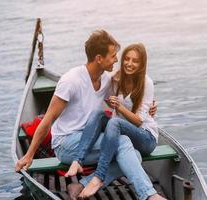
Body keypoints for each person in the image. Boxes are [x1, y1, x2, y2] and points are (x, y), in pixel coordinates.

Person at [14, 30, 165, 200]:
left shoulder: (107, 80)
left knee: (134, 155)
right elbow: (48, 120)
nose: (117, 60)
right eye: (113, 56)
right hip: (66, 143)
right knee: (123, 142)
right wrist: (29, 154)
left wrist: (152, 106)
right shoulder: (71, 81)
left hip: (89, 138)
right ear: (99, 58)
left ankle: (82, 183)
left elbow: (128, 94)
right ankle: (149, 195)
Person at [65, 43, 160, 199]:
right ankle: (78, 162)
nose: (129, 64)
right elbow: (93, 93)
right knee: (98, 115)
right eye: (126, 59)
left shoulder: (146, 82)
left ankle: (97, 178)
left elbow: (138, 121)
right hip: (124, 137)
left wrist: (120, 107)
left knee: (114, 122)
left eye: (135, 61)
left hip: (145, 137)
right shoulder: (115, 79)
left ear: (142, 63)